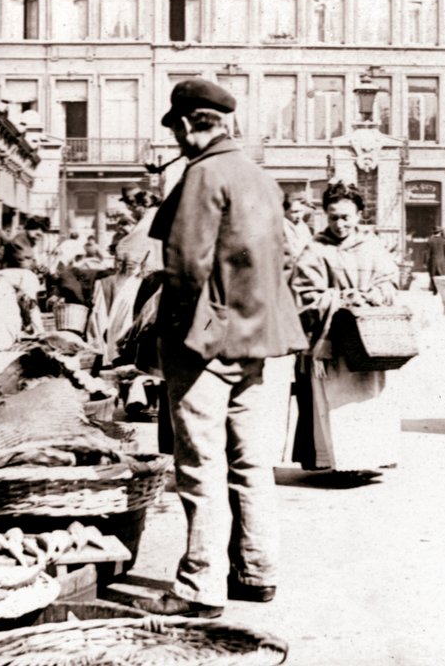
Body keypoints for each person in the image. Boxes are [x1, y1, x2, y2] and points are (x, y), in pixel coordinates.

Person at [137, 78, 306, 618]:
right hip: (255, 341)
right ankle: (258, 574)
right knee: (251, 463)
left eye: (177, 130)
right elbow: (281, 262)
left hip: (205, 346)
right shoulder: (261, 177)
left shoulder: (203, 173)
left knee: (200, 467)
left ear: (189, 125)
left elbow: (185, 268)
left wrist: (177, 337)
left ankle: (200, 587)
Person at [290, 182, 401, 474]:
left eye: (346, 217)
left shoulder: (372, 245)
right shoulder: (314, 249)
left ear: (359, 215)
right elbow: (302, 296)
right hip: (332, 342)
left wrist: (375, 295)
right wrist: (339, 298)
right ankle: (342, 463)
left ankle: (368, 458)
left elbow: (390, 282)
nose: (340, 224)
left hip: (367, 340)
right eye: (333, 217)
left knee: (367, 400)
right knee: (337, 405)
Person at [281, 193, 313, 272]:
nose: (299, 215)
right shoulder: (281, 226)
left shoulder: (302, 226)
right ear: (284, 211)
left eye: (301, 211)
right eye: (294, 212)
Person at [425, 226, 445, 294]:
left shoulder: (430, 241)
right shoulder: (443, 241)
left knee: (433, 275)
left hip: (433, 260)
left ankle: (435, 290)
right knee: (442, 275)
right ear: (440, 232)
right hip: (442, 261)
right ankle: (442, 290)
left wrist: (426, 262)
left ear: (433, 232)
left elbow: (427, 253)